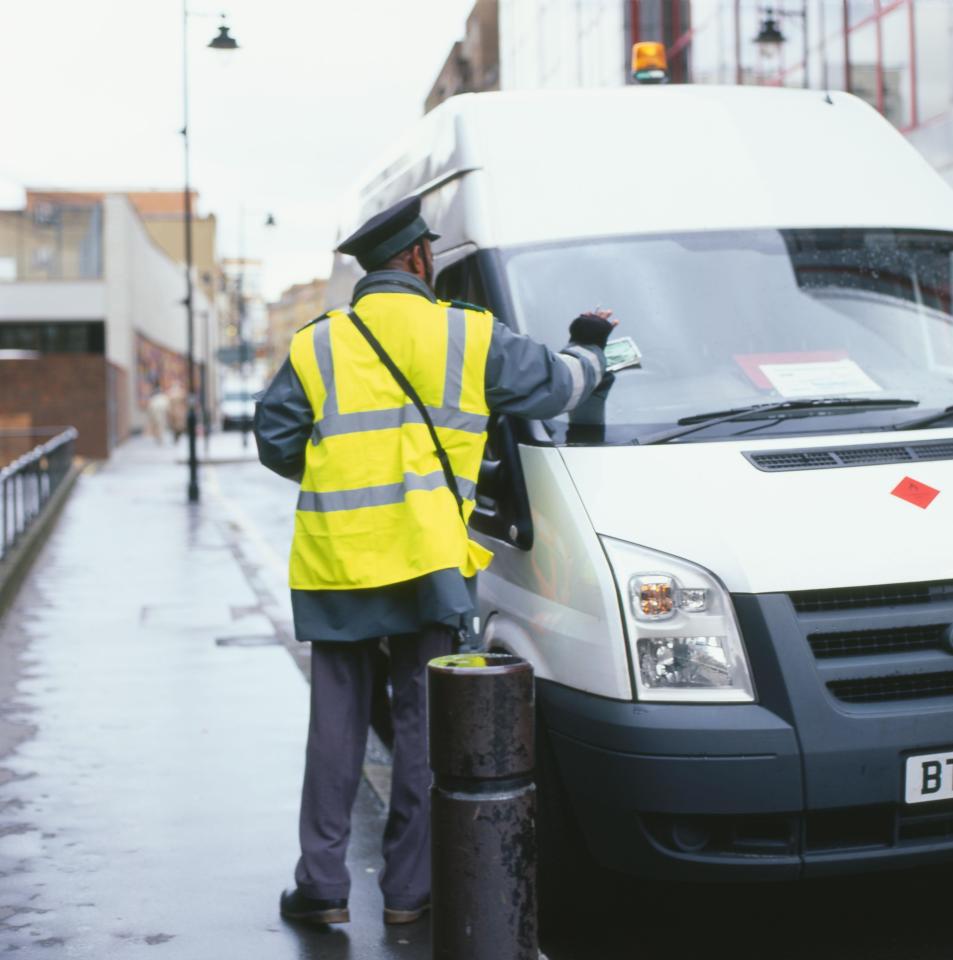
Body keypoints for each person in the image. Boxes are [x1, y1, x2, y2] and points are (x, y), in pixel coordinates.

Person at [253, 195, 615, 927]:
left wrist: (336, 475)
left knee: (335, 726)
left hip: (336, 561)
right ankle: (407, 893)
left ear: (370, 268)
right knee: (424, 726)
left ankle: (322, 887)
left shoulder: (318, 343)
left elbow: (274, 440)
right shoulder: (465, 335)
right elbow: (558, 384)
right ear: (419, 258)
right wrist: (589, 347)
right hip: (429, 561)